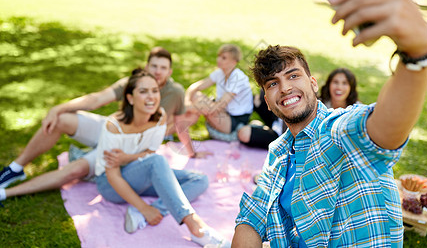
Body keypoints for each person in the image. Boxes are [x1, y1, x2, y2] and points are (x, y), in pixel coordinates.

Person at [232, 0, 427, 247]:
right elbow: (252, 218)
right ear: (268, 102)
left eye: (293, 76)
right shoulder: (278, 154)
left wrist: (417, 54)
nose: (284, 88)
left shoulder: (338, 128)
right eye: (273, 83)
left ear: (314, 83)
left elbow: (384, 131)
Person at [0, 47, 209, 192]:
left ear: (170, 71)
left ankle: (11, 192)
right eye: (154, 66)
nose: (158, 71)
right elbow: (96, 99)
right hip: (112, 128)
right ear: (146, 66)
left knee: (77, 170)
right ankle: (16, 169)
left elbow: (180, 125)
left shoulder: (177, 92)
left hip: (129, 148)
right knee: (62, 118)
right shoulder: (131, 83)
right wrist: (58, 108)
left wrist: (191, 151)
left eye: (163, 68)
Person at [92, 69, 229, 247]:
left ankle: (143, 214)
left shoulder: (160, 117)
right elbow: (113, 175)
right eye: (143, 91)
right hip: (110, 185)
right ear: (130, 98)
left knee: (200, 180)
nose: (151, 96)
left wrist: (127, 158)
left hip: (140, 175)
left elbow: (148, 153)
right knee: (158, 161)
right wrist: (143, 206)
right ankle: (195, 226)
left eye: (154, 90)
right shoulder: (114, 126)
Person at [184, 44, 253, 141]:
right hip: (222, 113)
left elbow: (218, 106)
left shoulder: (238, 78)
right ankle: (174, 125)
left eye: (223, 58)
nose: (219, 60)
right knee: (196, 97)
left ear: (233, 62)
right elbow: (194, 87)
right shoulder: (220, 73)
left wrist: (186, 108)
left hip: (235, 122)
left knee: (201, 104)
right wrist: (187, 102)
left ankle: (172, 123)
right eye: (219, 56)